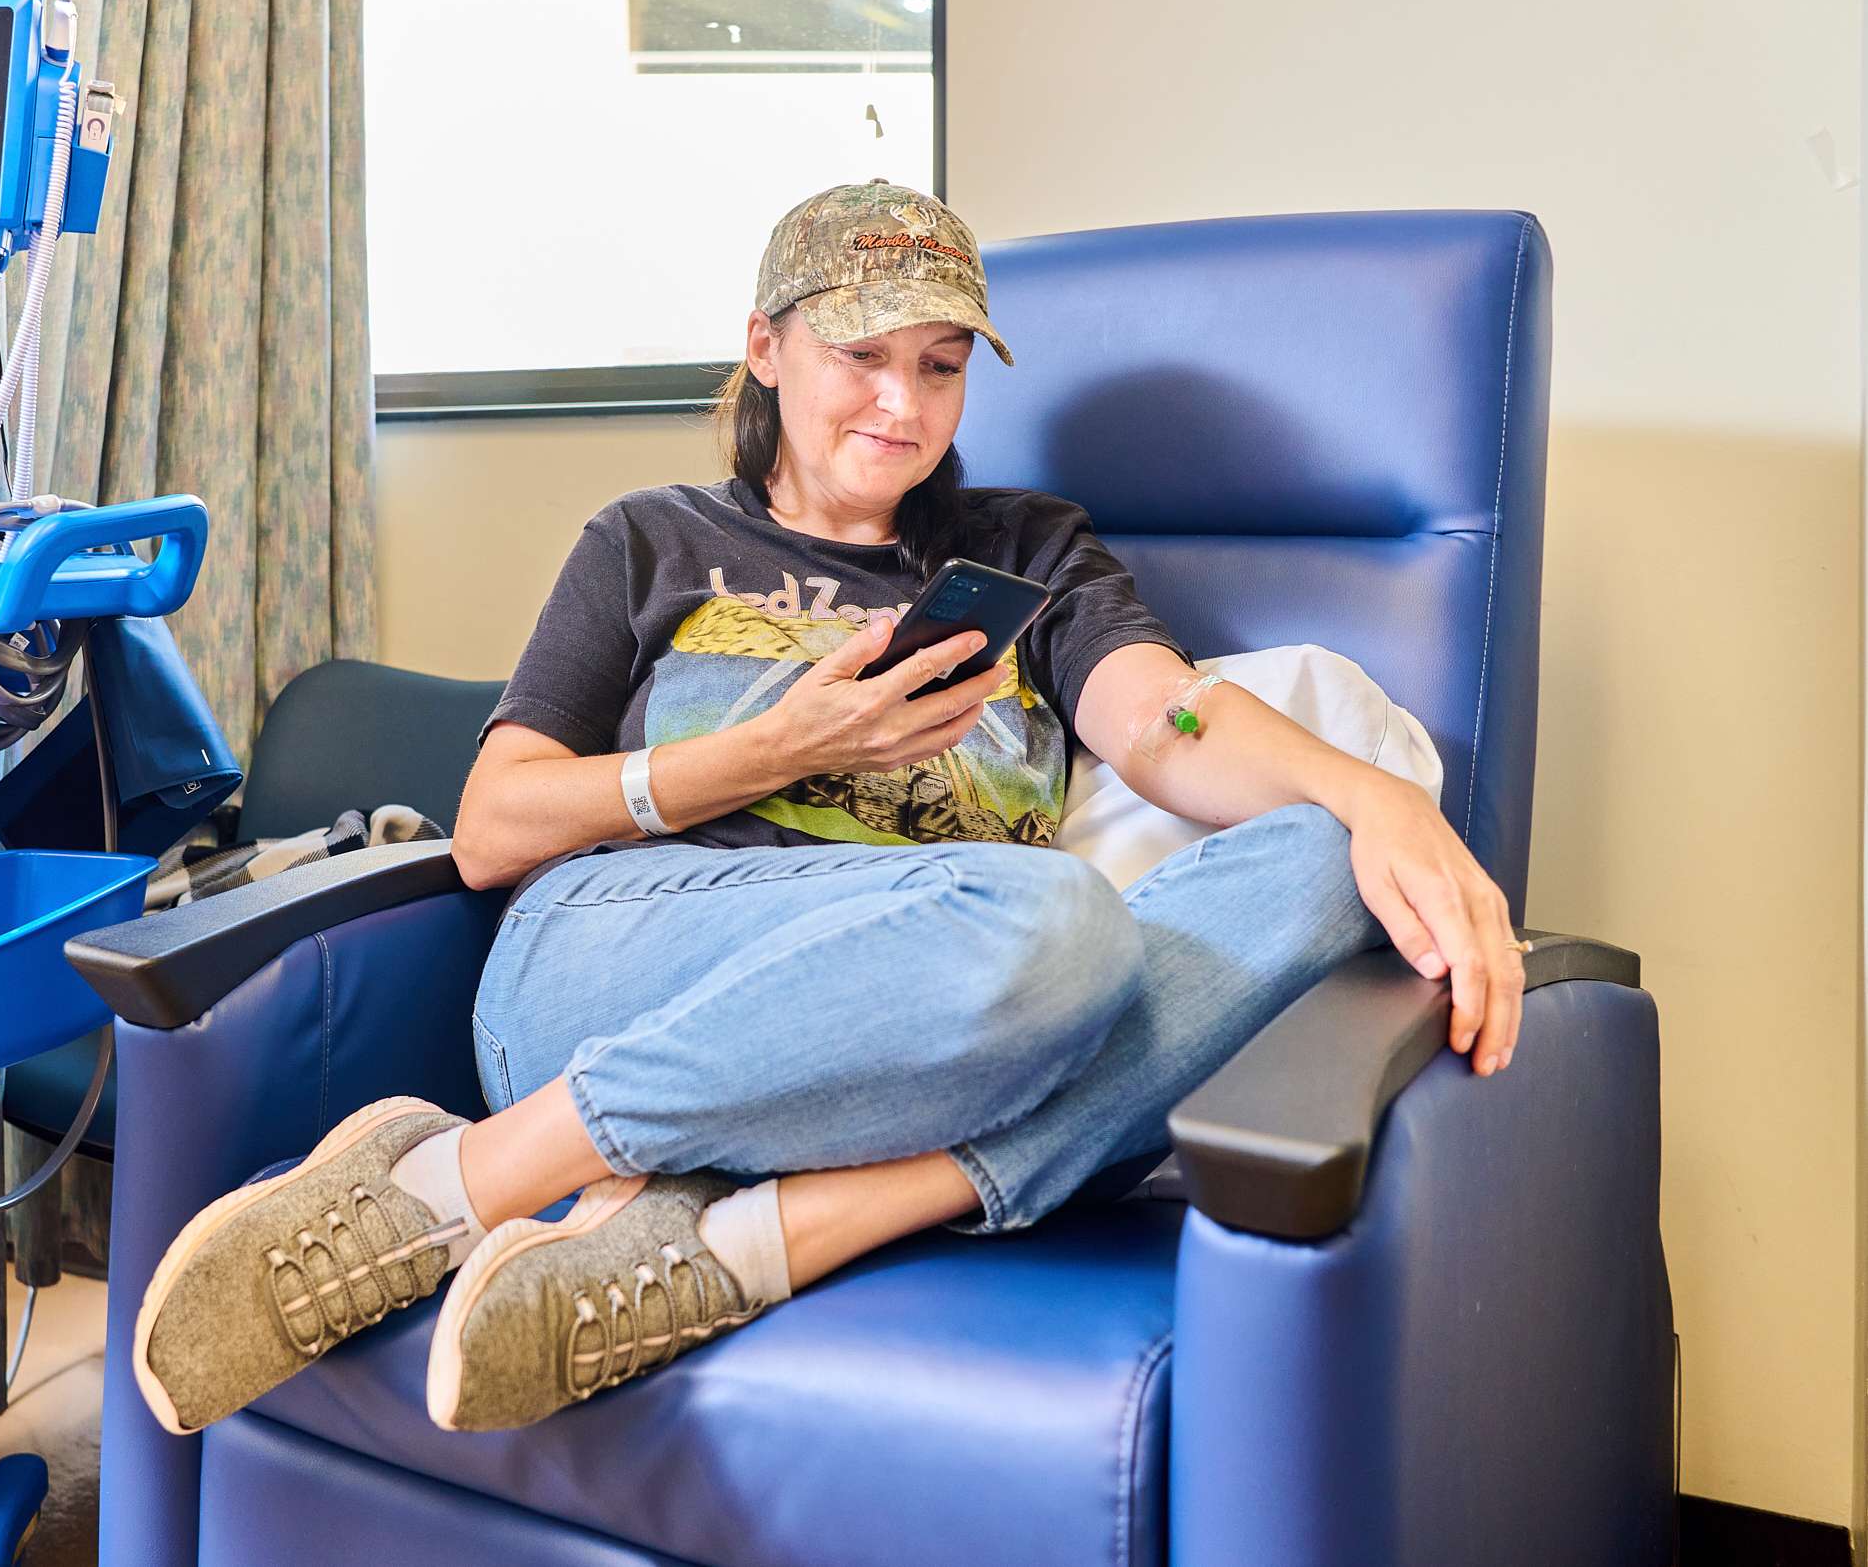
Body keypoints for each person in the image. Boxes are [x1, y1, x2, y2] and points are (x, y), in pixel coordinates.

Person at [128, 180, 1528, 1443]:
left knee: (1324, 863)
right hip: (619, 959)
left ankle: (746, 1241)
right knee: (1050, 918)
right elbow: (494, 829)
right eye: (861, 356)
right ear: (765, 348)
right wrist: (777, 748)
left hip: (930, 1024)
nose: (901, 408)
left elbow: (1166, 721)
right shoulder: (652, 540)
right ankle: (457, 1180)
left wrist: (1379, 802)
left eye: (939, 365)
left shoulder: (1025, 551)